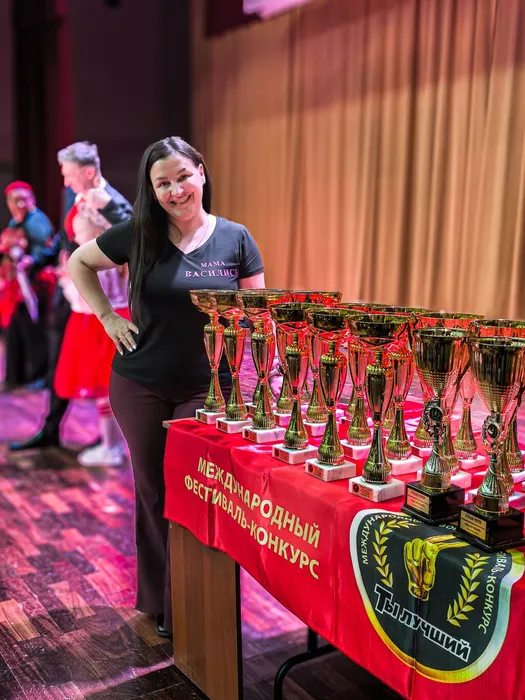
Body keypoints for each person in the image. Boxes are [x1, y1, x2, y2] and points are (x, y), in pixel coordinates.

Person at [67, 136, 265, 637]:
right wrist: (108, 316)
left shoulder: (237, 239)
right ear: (151, 190)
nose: (175, 191)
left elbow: (257, 315)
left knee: (196, 494)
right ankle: (162, 602)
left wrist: (258, 372)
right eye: (163, 184)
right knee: (154, 493)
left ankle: (196, 606)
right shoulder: (139, 234)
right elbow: (79, 262)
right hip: (140, 385)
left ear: (201, 173)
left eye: (182, 177)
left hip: (208, 389)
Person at [9, 142, 133, 451]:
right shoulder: (77, 196)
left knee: (102, 373)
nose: (64, 180)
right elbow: (68, 241)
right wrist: (59, 260)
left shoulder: (109, 202)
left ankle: (110, 441)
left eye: (69, 174)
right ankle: (58, 429)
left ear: (88, 172)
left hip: (99, 297)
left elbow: (130, 237)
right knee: (69, 367)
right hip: (74, 295)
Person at [54, 205, 129, 467]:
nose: (75, 237)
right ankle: (111, 444)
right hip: (109, 321)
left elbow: (83, 298)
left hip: (98, 326)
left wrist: (66, 278)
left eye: (79, 231)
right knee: (107, 391)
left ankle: (111, 447)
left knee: (104, 391)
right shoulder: (115, 258)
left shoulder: (97, 261)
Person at [2, 182, 56, 390]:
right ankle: (16, 377)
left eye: (23, 200)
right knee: (15, 330)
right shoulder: (16, 221)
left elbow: (47, 249)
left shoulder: (36, 221)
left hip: (34, 286)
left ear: (31, 199)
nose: (19, 204)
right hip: (17, 288)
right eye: (15, 201)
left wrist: (31, 260)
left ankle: (38, 376)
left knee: (33, 330)